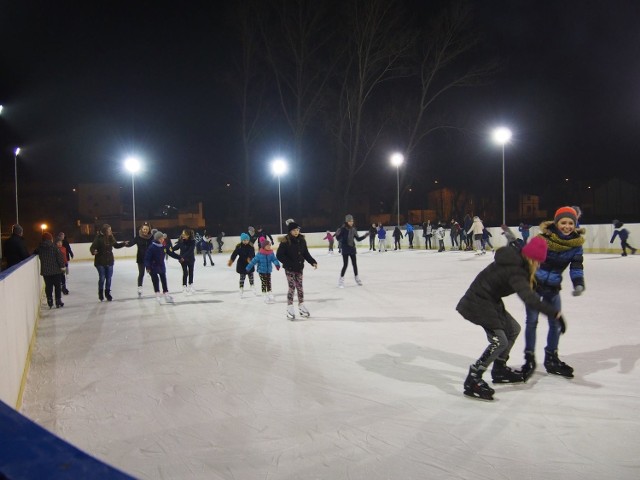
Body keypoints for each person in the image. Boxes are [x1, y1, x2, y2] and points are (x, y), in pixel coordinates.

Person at [456, 236, 564, 401]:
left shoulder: (518, 260)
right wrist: (554, 313)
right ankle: (473, 377)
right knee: (500, 341)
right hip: (478, 301)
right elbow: (529, 298)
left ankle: (499, 368)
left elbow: (531, 284)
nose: (539, 265)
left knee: (513, 329)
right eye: (538, 262)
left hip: (490, 300)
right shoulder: (515, 270)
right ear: (532, 258)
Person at [522, 206, 585, 380]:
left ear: (575, 224)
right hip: (534, 285)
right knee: (532, 322)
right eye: (563, 222)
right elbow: (526, 260)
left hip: (553, 287)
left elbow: (577, 266)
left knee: (555, 324)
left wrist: (578, 283)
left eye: (570, 223)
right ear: (556, 223)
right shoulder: (543, 239)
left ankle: (551, 358)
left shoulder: (576, 245)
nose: (567, 226)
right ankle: (529, 359)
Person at [276, 219, 317, 319]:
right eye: (294, 230)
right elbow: (279, 255)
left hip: (299, 268)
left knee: (300, 287)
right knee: (292, 287)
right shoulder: (285, 241)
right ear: (290, 231)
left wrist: (312, 261)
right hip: (289, 269)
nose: (296, 232)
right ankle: (289, 307)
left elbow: (305, 253)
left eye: (297, 230)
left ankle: (301, 306)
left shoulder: (302, 240)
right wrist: (289, 263)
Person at [90, 224, 128, 302]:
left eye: (110, 230)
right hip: (100, 261)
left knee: (109, 278)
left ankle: (107, 293)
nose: (110, 231)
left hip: (109, 261)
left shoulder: (111, 237)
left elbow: (116, 245)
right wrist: (93, 251)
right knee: (102, 278)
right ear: (105, 231)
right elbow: (92, 247)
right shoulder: (98, 238)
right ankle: (100, 293)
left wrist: (123, 243)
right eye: (109, 230)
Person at [35, 232, 66, 309]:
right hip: (55, 270)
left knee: (48, 286)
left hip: (46, 271)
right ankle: (58, 300)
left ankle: (49, 300)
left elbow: (35, 252)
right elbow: (59, 257)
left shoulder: (40, 248)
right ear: (50, 239)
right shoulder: (54, 247)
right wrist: (62, 266)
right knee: (57, 286)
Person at [336, 214, 368, 287]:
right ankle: (341, 281)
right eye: (350, 221)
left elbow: (358, 239)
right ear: (347, 221)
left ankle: (357, 279)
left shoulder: (353, 229)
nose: (351, 222)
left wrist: (365, 236)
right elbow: (338, 238)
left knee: (354, 264)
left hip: (352, 249)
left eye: (352, 221)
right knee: (345, 265)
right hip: (345, 248)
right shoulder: (343, 229)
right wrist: (338, 234)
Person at [144, 230, 175, 304]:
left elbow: (171, 253)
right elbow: (147, 258)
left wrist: (179, 257)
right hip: (153, 267)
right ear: (158, 239)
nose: (163, 240)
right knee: (155, 280)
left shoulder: (163, 246)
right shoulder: (152, 247)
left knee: (164, 280)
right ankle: (157, 293)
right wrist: (148, 267)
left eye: (163, 238)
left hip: (161, 266)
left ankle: (166, 293)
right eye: (161, 238)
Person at [247, 239, 281, 304]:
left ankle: (269, 292)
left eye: (270, 245)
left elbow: (274, 259)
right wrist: (248, 267)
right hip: (261, 271)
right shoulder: (259, 254)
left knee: (269, 281)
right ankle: (264, 294)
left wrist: (277, 264)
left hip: (268, 270)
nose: (269, 247)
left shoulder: (271, 253)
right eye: (267, 245)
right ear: (263, 246)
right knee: (264, 282)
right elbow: (253, 261)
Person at [127, 223, 153, 297]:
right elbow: (131, 243)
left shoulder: (152, 237)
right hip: (141, 258)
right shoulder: (138, 238)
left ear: (149, 230)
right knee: (141, 273)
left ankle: (156, 287)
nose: (145, 231)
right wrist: (124, 244)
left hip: (150, 259)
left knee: (152, 273)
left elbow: (157, 244)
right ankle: (139, 287)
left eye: (146, 229)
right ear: (141, 229)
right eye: (144, 229)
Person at [228, 233, 256, 297]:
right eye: (244, 240)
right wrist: (231, 260)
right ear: (241, 240)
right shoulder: (239, 246)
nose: (245, 241)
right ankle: (241, 288)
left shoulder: (251, 246)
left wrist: (250, 258)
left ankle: (252, 286)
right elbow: (234, 254)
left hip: (249, 264)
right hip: (241, 264)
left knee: (251, 276)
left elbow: (253, 254)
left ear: (248, 240)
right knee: (242, 277)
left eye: (246, 240)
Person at [172, 229, 197, 294]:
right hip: (183, 260)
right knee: (185, 272)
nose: (182, 235)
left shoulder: (192, 241)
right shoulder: (181, 241)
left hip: (190, 259)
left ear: (188, 235)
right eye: (182, 234)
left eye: (184, 234)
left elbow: (190, 251)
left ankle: (191, 285)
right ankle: (184, 286)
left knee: (191, 271)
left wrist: (183, 257)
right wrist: (168, 249)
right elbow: (175, 247)